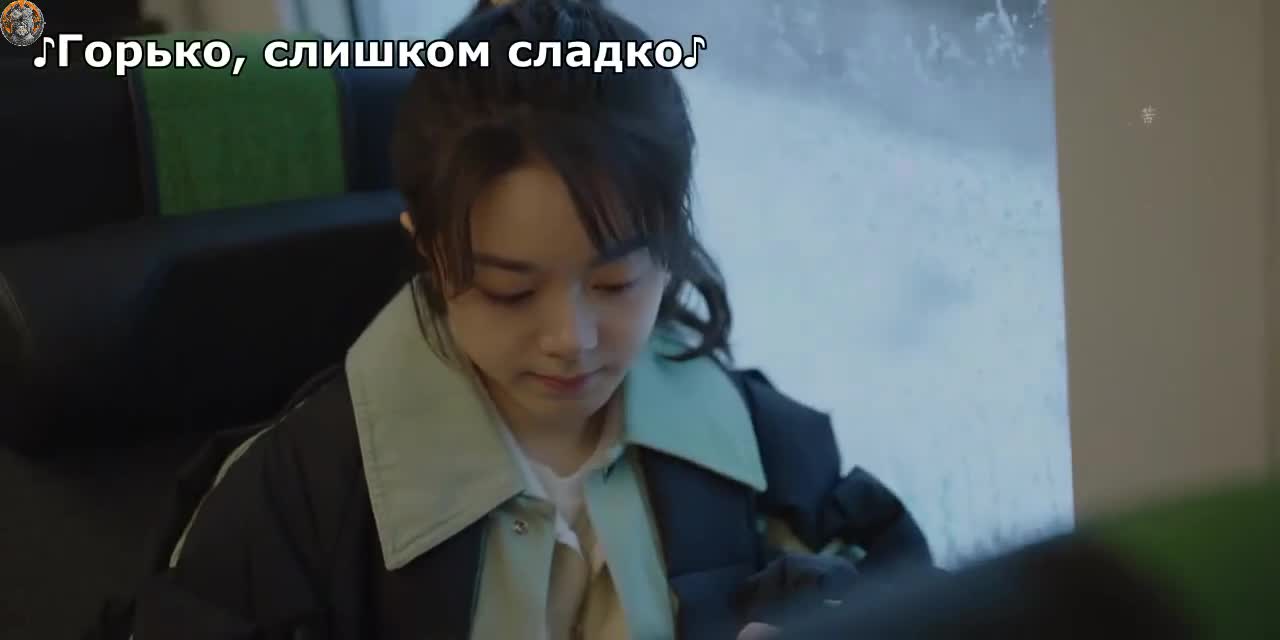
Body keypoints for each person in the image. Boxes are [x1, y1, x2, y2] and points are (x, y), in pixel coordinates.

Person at [123, 1, 934, 638]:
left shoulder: (754, 445)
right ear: (430, 252)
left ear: (672, 252)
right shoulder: (301, 494)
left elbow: (900, 586)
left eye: (616, 283)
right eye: (510, 291)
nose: (570, 340)